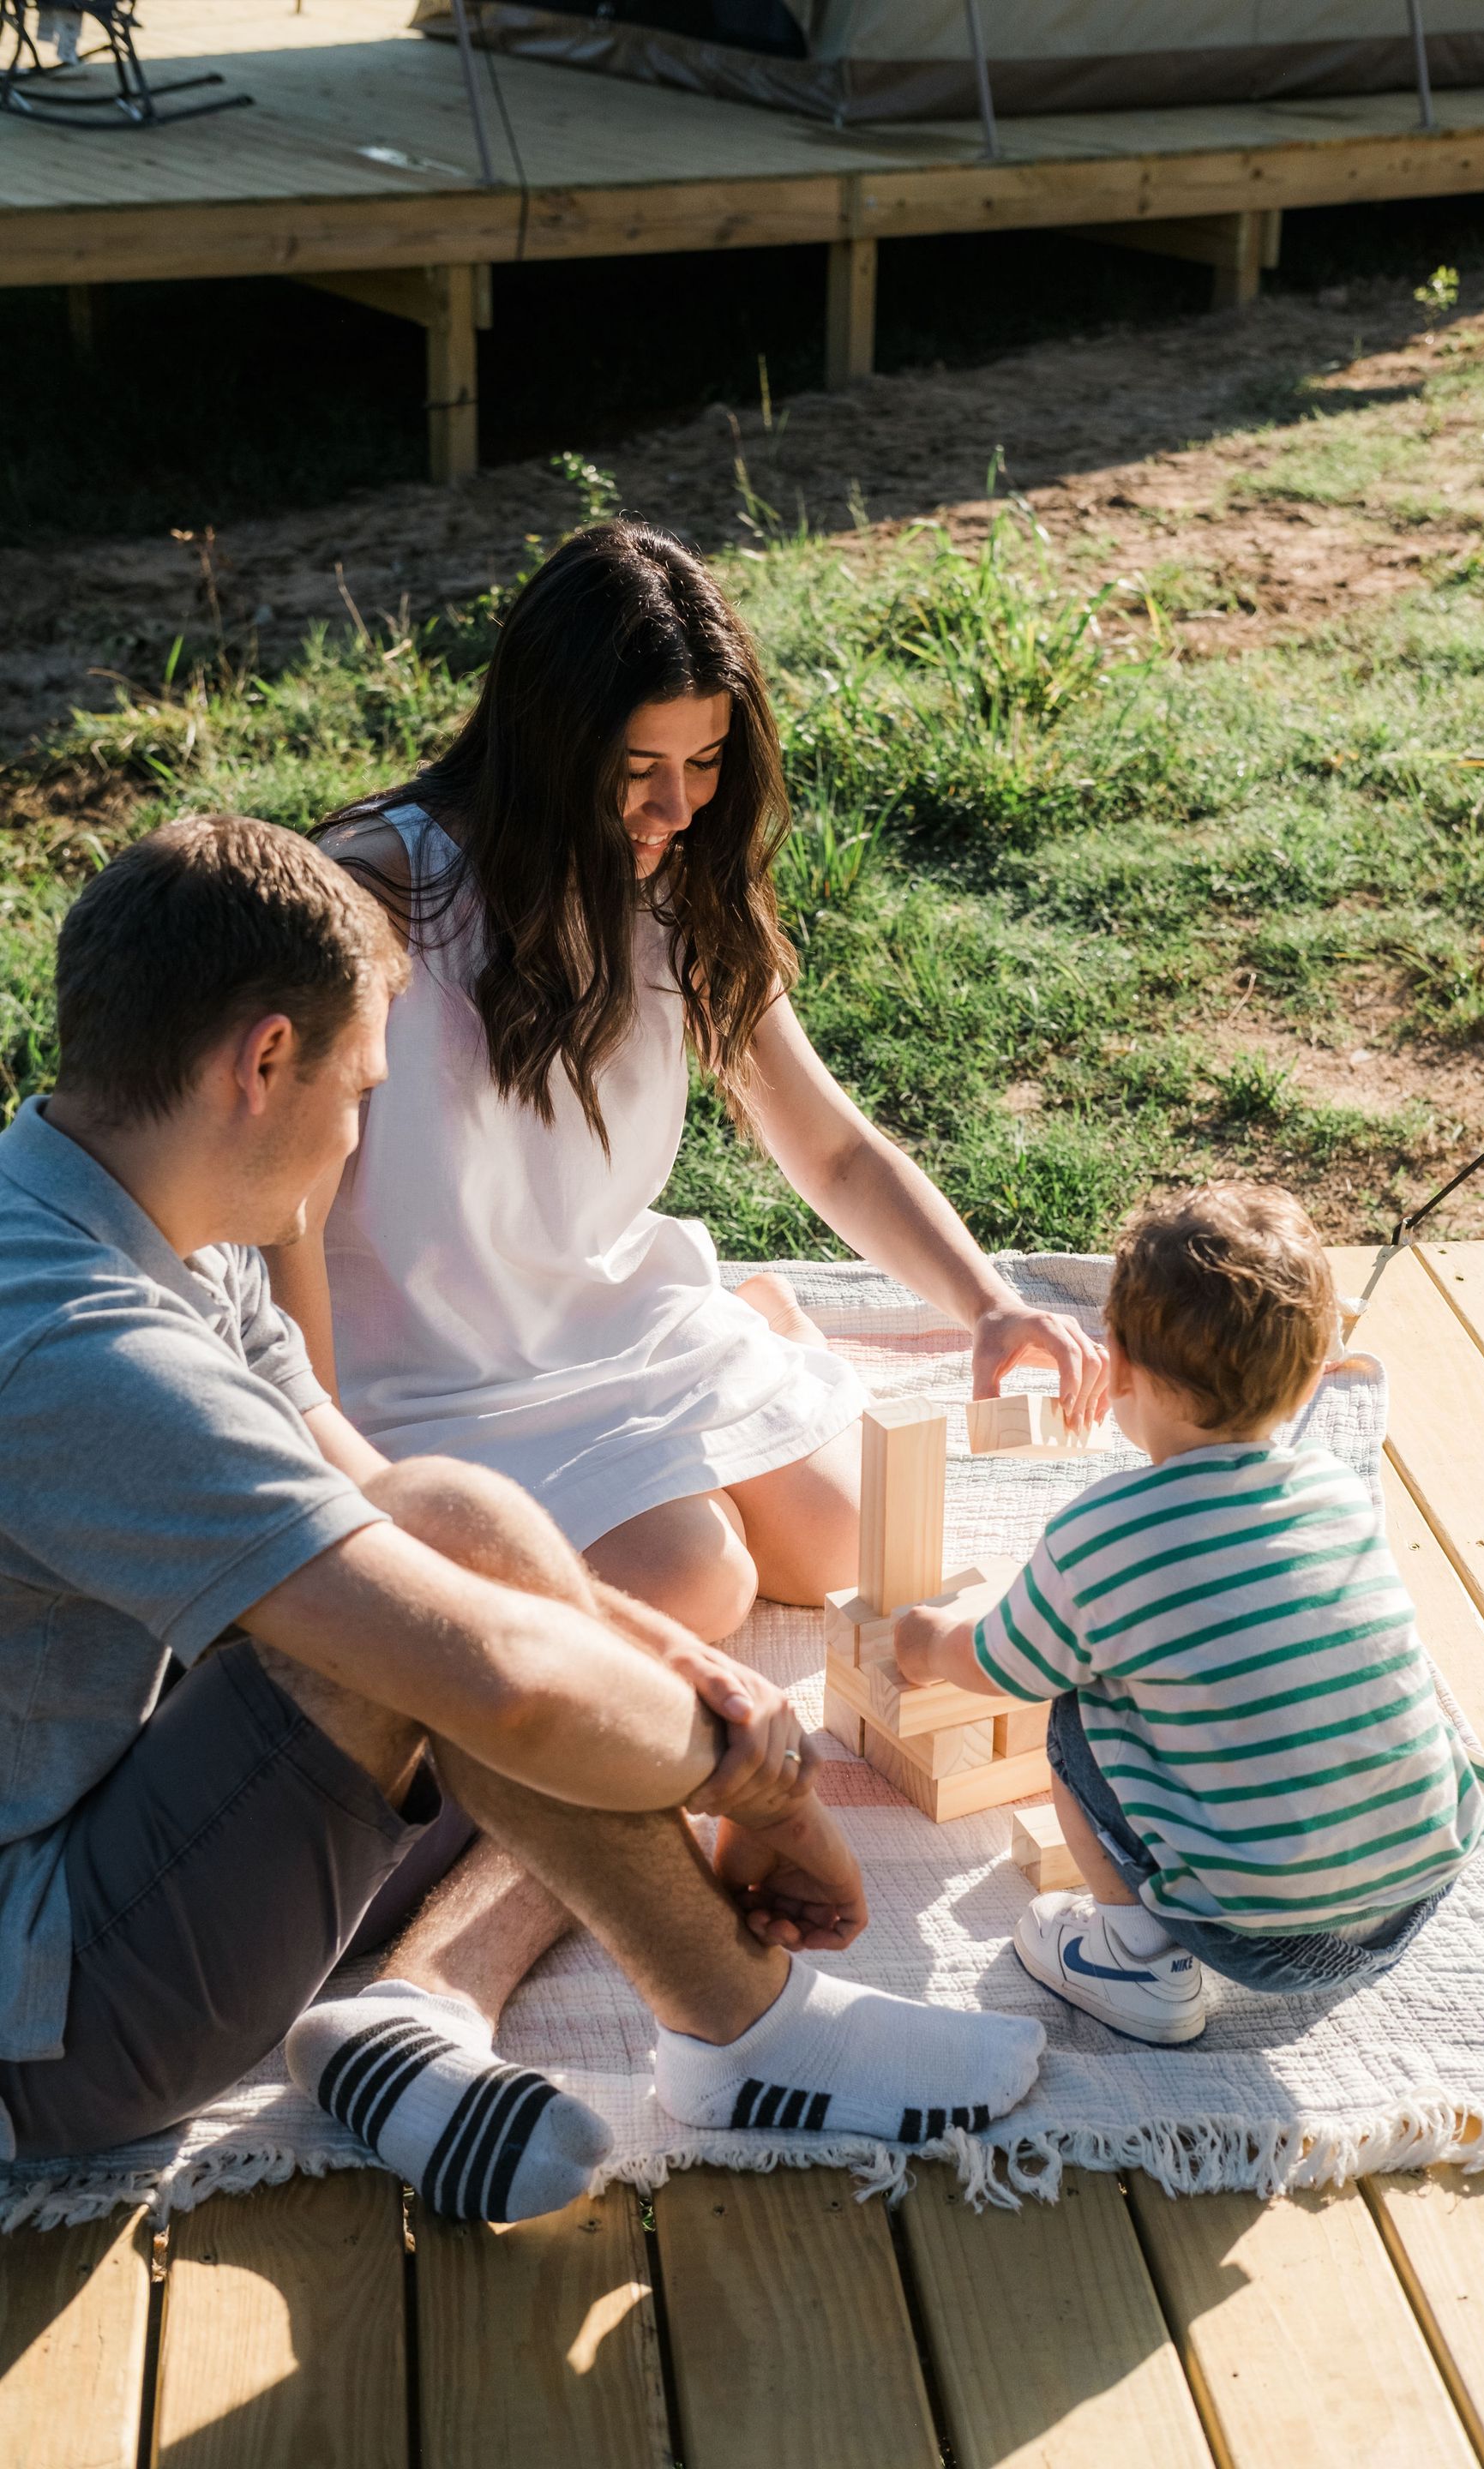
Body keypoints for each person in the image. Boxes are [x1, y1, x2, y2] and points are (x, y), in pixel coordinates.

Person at [0, 815, 1044, 2208]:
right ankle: (748, 2026)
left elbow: (381, 1506)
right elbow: (501, 1685)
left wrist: (696, 1676)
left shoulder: (139, 1212)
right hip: (45, 2025)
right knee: (460, 1644)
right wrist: (759, 1784)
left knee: (451, 1527)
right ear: (261, 1062)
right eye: (359, 1088)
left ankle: (692, 2026)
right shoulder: (76, 1348)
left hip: (81, 1857)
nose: (361, 1131)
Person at [269, 520, 1106, 1649]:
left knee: (850, 1550)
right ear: (550, 746)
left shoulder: (678, 885)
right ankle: (714, 1408)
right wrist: (328, 1459)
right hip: (426, 1375)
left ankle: (748, 1331)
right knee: (695, 1583)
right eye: (637, 772)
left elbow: (834, 1146)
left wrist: (992, 1304)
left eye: (705, 765)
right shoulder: (381, 888)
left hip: (616, 1320)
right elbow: (283, 1205)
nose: (678, 810)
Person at [893, 1183, 1484, 2047]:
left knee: (1076, 1704)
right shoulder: (1335, 1488)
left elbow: (1000, 1666)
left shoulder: (1103, 1536)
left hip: (1259, 1938)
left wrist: (921, 1641)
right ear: (1310, 1383)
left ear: (1119, 1362)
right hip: (1412, 1899)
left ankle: (1134, 1960)